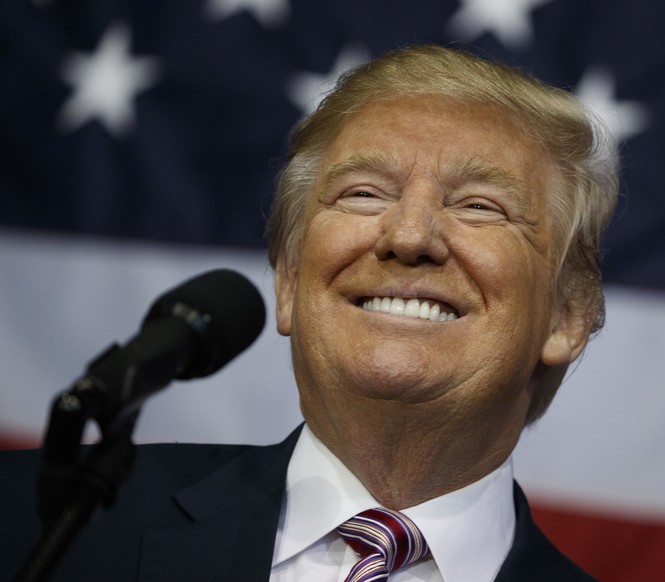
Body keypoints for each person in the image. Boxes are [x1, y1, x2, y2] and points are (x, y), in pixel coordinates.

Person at [0, 44, 617, 581]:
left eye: (480, 206)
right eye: (363, 193)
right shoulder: (36, 524)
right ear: (289, 282)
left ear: (568, 316)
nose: (408, 235)